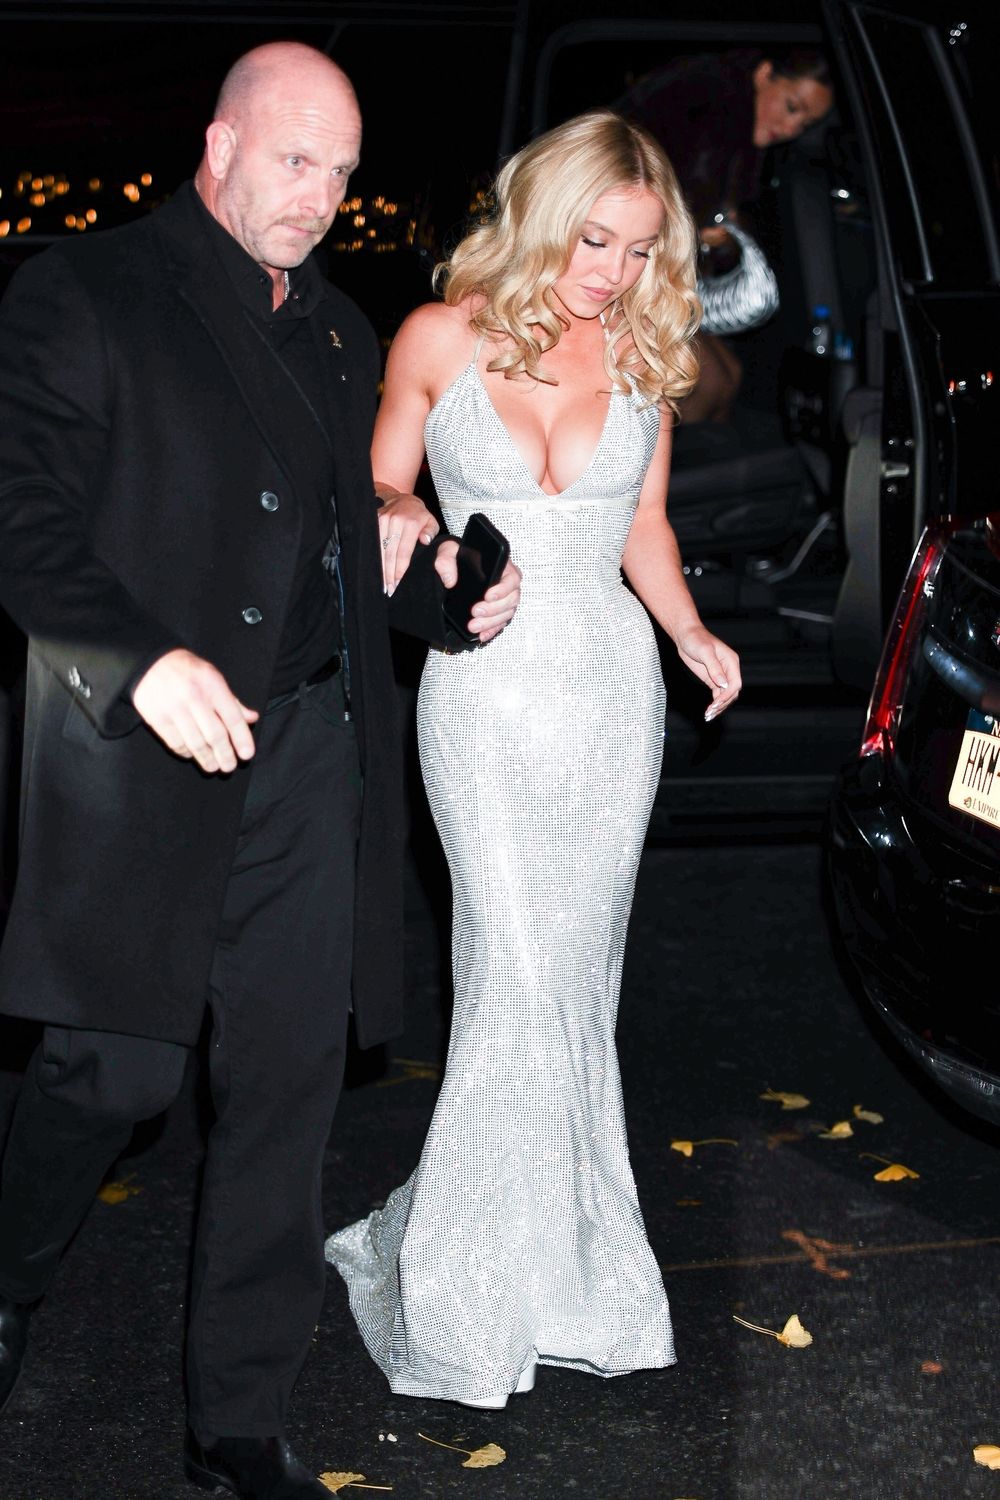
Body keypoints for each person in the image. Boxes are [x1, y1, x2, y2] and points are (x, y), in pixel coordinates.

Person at [0, 41, 519, 1500]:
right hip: (141, 754)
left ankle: (237, 1418)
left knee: (286, 1088)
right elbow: (21, 517)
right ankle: (7, 1282)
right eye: (296, 162)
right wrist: (135, 661)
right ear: (219, 147)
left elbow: (343, 546)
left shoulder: (341, 333)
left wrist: (443, 594)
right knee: (113, 1076)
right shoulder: (87, 291)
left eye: (341, 174)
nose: (319, 197)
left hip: (302, 756)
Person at [325, 109, 742, 1410]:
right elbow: (374, 489)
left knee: (572, 987)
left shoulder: (644, 352)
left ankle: (568, 1272)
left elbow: (643, 525)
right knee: (508, 975)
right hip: (485, 693)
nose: (611, 271)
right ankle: (464, 1288)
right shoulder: (439, 336)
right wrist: (422, 527)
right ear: (541, 218)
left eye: (638, 248)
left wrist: (690, 632)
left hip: (610, 698)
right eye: (592, 240)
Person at [618, 48, 835, 422]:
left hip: (660, 280)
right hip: (624, 275)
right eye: (791, 107)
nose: (790, 129)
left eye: (804, 124)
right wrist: (696, 232)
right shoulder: (702, 108)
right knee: (706, 381)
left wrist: (717, 239)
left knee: (728, 375)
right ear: (764, 74)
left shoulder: (738, 140)